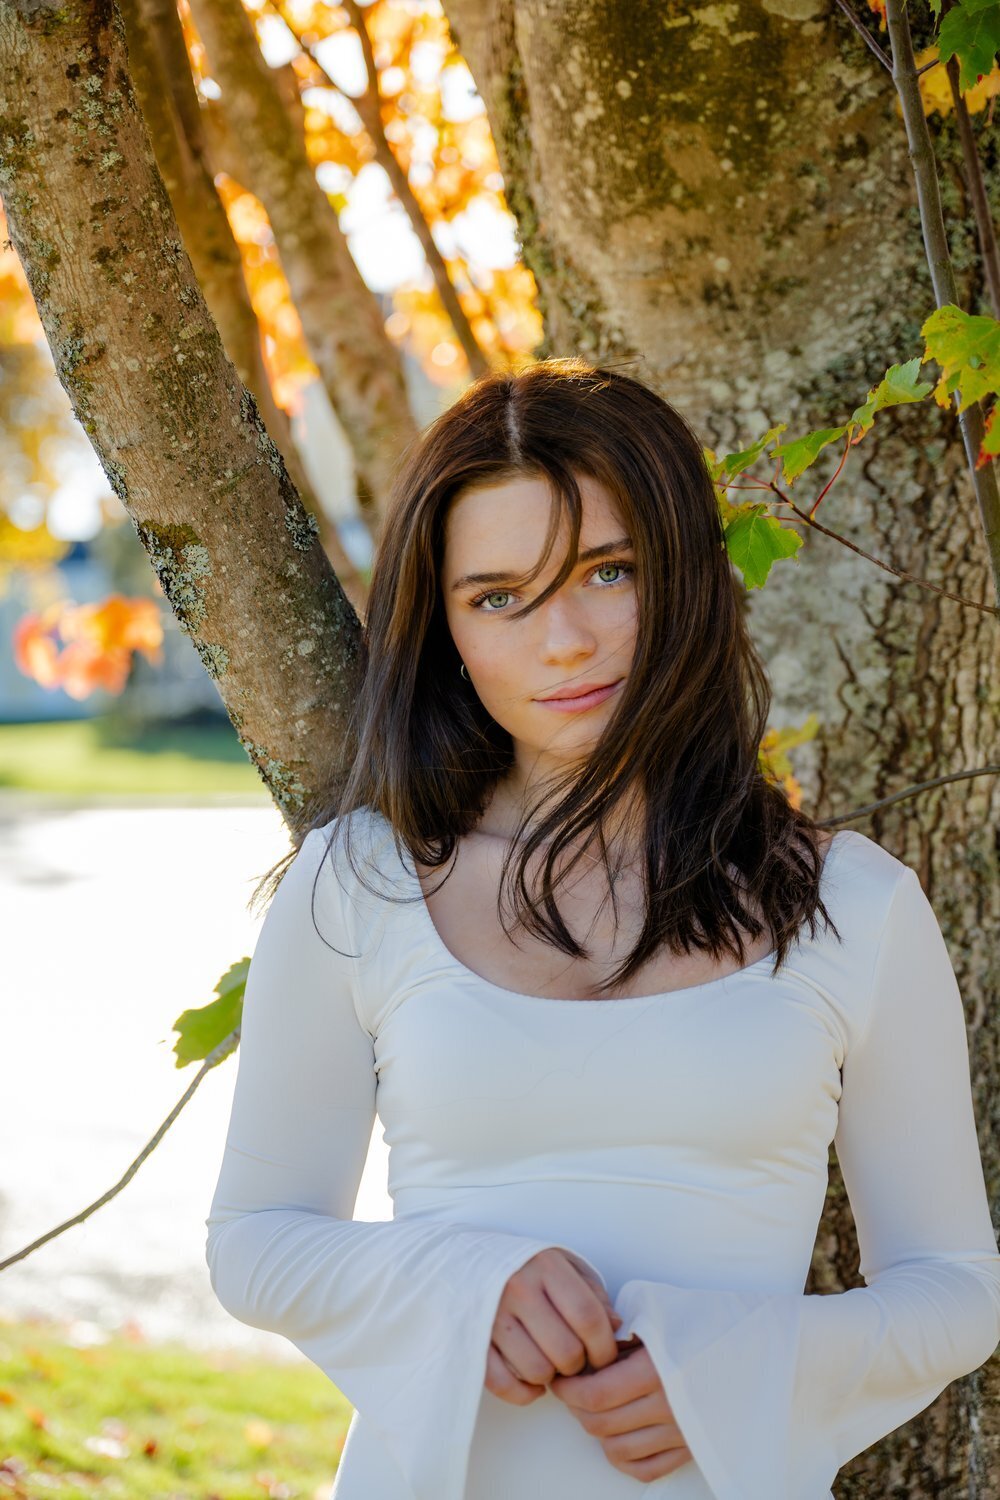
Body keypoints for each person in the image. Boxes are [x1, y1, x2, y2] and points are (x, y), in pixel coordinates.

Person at [204, 358, 1000, 1499]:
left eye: (606, 572)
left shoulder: (853, 907)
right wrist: (464, 1283)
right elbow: (256, 1240)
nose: (563, 640)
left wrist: (729, 1373)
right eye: (497, 597)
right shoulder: (358, 884)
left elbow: (952, 1287)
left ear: (685, 574)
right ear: (447, 633)